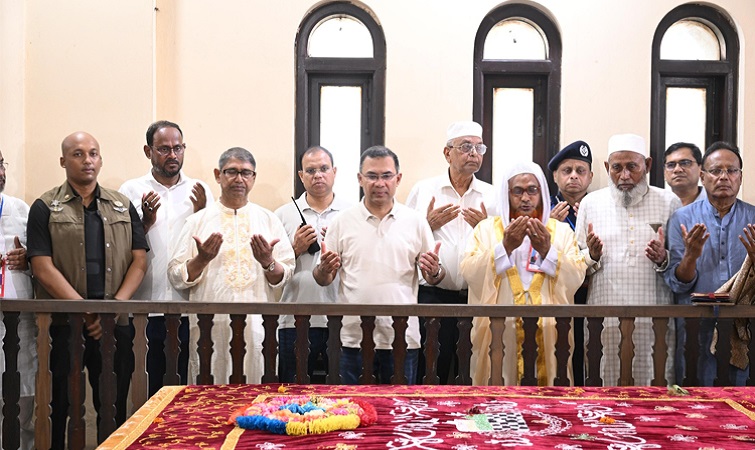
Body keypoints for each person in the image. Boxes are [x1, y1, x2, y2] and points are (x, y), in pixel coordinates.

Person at [27, 132, 148, 446]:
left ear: (101, 159)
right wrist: (86, 311)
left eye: (93, 153)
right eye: (78, 154)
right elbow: (41, 266)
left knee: (114, 406)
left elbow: (139, 260)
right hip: (63, 324)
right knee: (58, 405)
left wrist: (112, 310)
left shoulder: (122, 205)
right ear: (63, 161)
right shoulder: (45, 206)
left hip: (114, 325)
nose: (87, 160)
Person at [314, 146, 442, 385]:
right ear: (360, 179)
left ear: (398, 179)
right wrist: (324, 269)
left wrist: (434, 270)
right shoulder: (342, 221)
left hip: (402, 336)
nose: (380, 183)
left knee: (399, 406)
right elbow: (323, 278)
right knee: (351, 406)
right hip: (352, 337)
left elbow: (432, 277)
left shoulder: (415, 222)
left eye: (387, 176)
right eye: (372, 176)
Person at [168, 147, 295, 384]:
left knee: (255, 394)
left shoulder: (268, 220)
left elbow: (286, 274)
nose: (239, 179)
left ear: (253, 178)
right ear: (218, 175)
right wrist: (201, 259)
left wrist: (268, 262)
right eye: (232, 172)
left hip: (257, 328)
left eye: (246, 173)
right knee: (209, 396)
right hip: (209, 329)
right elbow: (176, 275)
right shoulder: (197, 221)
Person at [461, 161, 586, 386]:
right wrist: (505, 247)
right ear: (506, 194)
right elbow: (469, 271)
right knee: (497, 398)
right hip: (500, 332)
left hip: (549, 331)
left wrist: (547, 251)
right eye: (517, 191)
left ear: (542, 193)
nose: (525, 198)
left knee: (548, 400)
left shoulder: (561, 232)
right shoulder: (486, 229)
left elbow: (577, 275)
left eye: (532, 190)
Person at [575, 133, 680, 386]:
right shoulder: (591, 203)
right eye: (617, 168)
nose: (624, 176)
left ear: (647, 165)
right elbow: (575, 261)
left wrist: (663, 258)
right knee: (605, 388)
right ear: (606, 167)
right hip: (605, 318)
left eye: (632, 167)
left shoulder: (669, 202)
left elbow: (681, 264)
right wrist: (592, 255)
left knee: (654, 390)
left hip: (655, 319)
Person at [119, 120, 213, 395]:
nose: (172, 155)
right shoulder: (131, 190)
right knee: (147, 389)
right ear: (148, 151)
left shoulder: (200, 190)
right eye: (164, 149)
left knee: (183, 389)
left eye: (178, 148)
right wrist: (145, 223)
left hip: (187, 309)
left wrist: (201, 215)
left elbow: (210, 245)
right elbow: (121, 245)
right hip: (144, 307)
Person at [405, 121, 496, 384]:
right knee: (431, 373)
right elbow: (403, 240)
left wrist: (485, 228)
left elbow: (502, 247)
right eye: (466, 147)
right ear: (447, 153)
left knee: (471, 375)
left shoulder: (491, 195)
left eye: (479, 147)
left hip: (478, 298)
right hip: (433, 297)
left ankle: (471, 413)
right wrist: (427, 225)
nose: (473, 153)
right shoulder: (424, 190)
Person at [664, 141, 755, 386]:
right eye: (716, 171)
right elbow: (678, 284)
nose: (724, 177)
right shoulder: (682, 219)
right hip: (696, 326)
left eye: (731, 170)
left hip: (744, 327)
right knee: (696, 397)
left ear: (740, 177)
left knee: (742, 400)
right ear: (703, 177)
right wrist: (691, 256)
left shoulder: (753, 218)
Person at [274, 146, 351, 382]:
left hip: (343, 317)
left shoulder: (352, 213)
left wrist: (340, 246)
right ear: (301, 175)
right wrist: (295, 248)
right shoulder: (282, 215)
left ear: (334, 172)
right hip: (294, 317)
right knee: (292, 389)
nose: (318, 175)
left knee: (341, 390)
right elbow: (270, 269)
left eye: (324, 169)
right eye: (311, 170)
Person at [547, 140, 594, 386]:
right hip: (557, 294)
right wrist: (550, 224)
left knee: (591, 352)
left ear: (590, 176)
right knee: (561, 351)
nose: (574, 176)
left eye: (580, 170)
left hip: (592, 291)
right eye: (567, 170)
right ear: (556, 176)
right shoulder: (543, 208)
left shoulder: (599, 206)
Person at [0, 150, 36, 449]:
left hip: (19, 324)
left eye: (0, 164)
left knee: (21, 406)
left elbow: (44, 261)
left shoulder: (21, 210)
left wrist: (28, 260)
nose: (0, 172)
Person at [663, 142, 705, 206]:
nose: (677, 169)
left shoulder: (715, 202)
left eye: (685, 163)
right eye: (671, 165)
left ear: (700, 168)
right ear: (664, 173)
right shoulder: (659, 205)